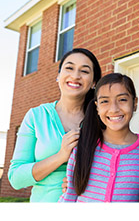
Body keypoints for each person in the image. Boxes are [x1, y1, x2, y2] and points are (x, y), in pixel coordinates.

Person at [8, 48, 102, 202]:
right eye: (69, 68)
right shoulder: (36, 116)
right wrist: (60, 156)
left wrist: (80, 182)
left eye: (84, 71)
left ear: (93, 82)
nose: (75, 75)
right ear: (58, 76)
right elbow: (16, 178)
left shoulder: (100, 120)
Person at [59, 73, 139, 202]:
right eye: (105, 101)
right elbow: (69, 196)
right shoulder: (84, 147)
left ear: (134, 103)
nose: (113, 109)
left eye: (122, 99)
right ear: (97, 107)